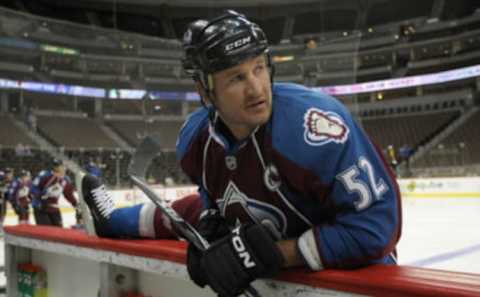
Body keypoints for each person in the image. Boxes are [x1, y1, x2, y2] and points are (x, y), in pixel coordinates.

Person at [80, 10, 402, 297]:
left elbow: (378, 226)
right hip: (266, 221)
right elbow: (212, 200)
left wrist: (279, 254)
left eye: (259, 68)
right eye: (236, 77)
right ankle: (113, 220)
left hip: (350, 273)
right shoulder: (196, 142)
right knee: (191, 211)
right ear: (205, 90)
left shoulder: (314, 128)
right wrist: (211, 226)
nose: (256, 88)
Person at [31, 159, 81, 227]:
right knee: (46, 230)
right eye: (59, 166)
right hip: (40, 208)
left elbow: (68, 194)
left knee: (59, 229)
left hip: (53, 208)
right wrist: (40, 198)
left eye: (63, 166)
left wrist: (75, 203)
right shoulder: (44, 175)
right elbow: (33, 188)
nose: (63, 168)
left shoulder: (65, 180)